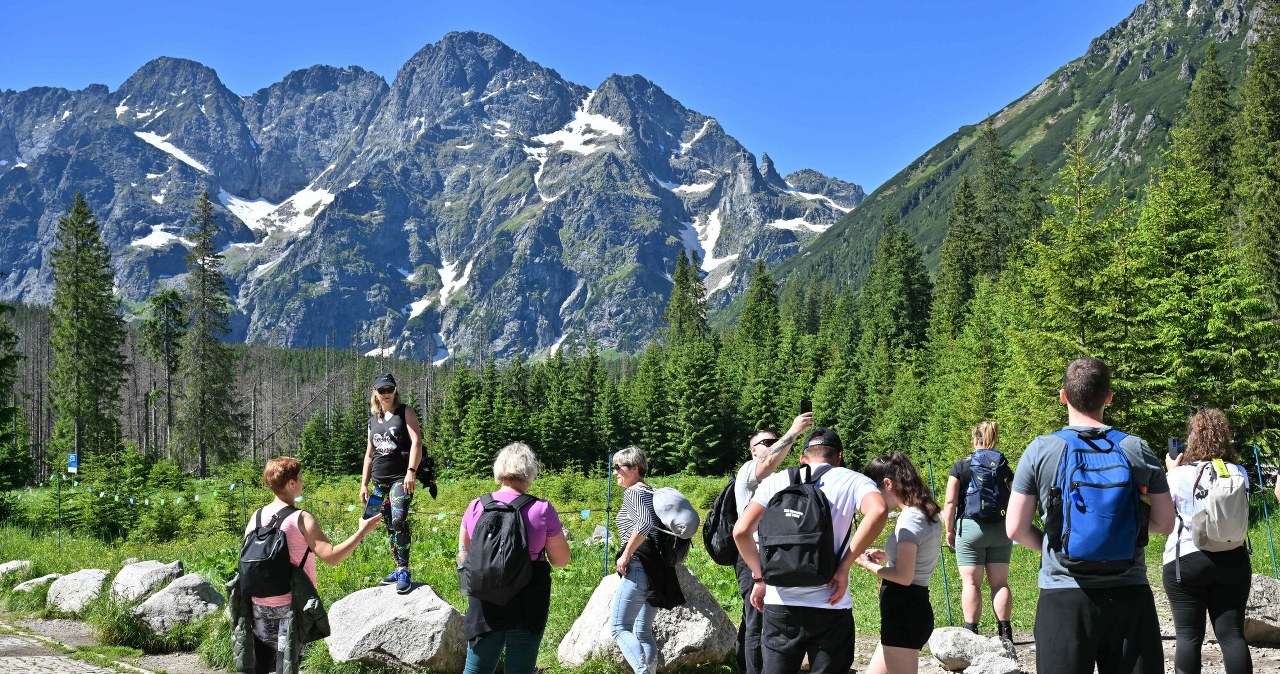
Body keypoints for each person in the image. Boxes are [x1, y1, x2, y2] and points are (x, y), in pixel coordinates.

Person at [1006, 356, 1174, 674]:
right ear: (1108, 397)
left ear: (1063, 396)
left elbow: (1014, 527)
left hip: (1063, 596)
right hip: (1129, 594)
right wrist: (1121, 531)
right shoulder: (1136, 448)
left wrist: (1055, 543)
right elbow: (1165, 523)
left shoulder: (1040, 450)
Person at [732, 427, 889, 674]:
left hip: (780, 605)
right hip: (831, 603)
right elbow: (879, 511)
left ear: (803, 458)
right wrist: (844, 566)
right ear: (839, 456)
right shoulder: (853, 480)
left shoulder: (776, 481)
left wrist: (760, 576)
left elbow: (741, 531)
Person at [235, 456, 382, 674]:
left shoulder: (256, 517)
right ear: (291, 483)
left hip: (258, 605)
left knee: (260, 665)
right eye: (300, 478)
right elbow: (332, 557)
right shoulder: (301, 518)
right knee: (285, 664)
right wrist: (362, 532)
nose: (303, 482)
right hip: (290, 608)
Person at [458, 443, 570, 674]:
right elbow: (561, 560)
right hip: (528, 599)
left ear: (499, 469)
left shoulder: (476, 505)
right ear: (530, 470)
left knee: (476, 669)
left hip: (484, 598)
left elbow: (463, 554)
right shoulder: (542, 509)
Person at [1162, 408, 1252, 674]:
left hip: (1188, 559)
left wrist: (1171, 470)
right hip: (1233, 558)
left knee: (1189, 636)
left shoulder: (1178, 475)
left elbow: (1163, 516)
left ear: (1192, 440)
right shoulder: (1239, 472)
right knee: (1232, 635)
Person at [733, 413, 814, 674]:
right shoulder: (749, 470)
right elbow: (767, 462)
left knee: (759, 620)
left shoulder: (775, 479)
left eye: (774, 441)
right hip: (752, 556)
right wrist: (793, 433)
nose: (771, 445)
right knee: (757, 624)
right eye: (765, 442)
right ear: (752, 450)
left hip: (770, 556)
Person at [856, 451, 944, 674]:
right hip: (910, 608)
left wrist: (867, 565)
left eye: (873, 491)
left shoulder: (909, 519)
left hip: (904, 611)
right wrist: (887, 555)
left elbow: (904, 577)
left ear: (887, 484)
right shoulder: (924, 512)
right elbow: (916, 554)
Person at [942, 422, 1014, 643]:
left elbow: (950, 501)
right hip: (1001, 528)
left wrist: (949, 530)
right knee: (1000, 583)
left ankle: (971, 631)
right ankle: (1005, 632)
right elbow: (1015, 496)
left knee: (971, 583)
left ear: (975, 440)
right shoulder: (1002, 464)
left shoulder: (961, 466)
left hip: (970, 528)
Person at [359, 372, 422, 594]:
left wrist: (411, 472)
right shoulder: (372, 421)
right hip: (378, 482)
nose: (386, 394)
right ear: (375, 392)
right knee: (383, 522)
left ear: (395, 391)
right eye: (381, 390)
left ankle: (404, 569)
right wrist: (363, 484)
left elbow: (417, 443)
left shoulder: (405, 412)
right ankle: (397, 567)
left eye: (389, 389)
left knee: (398, 519)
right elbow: (369, 454)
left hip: (399, 479)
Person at [610, 445, 662, 674]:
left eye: (618, 468)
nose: (614, 473)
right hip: (656, 571)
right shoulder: (651, 492)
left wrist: (626, 555)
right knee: (643, 632)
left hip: (639, 568)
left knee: (619, 628)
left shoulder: (635, 492)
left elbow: (644, 524)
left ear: (634, 469)